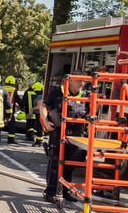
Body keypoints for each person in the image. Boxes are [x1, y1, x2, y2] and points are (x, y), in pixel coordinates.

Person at [38, 73, 87, 202]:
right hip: (58, 133)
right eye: (79, 81)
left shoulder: (84, 95)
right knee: (55, 163)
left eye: (84, 81)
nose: (81, 84)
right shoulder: (57, 91)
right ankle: (50, 192)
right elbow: (43, 105)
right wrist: (46, 121)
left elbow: (89, 112)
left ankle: (65, 191)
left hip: (75, 135)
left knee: (70, 165)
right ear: (70, 81)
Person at [24, 81, 45, 145]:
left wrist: (32, 109)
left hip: (39, 113)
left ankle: (39, 141)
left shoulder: (39, 96)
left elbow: (39, 105)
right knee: (38, 127)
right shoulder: (41, 95)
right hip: (39, 113)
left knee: (39, 127)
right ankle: (39, 140)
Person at [2, 75, 19, 144]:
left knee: (0, 124)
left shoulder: (2, 88)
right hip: (10, 110)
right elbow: (17, 99)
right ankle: (10, 139)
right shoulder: (14, 90)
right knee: (12, 125)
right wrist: (23, 105)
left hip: (1, 109)